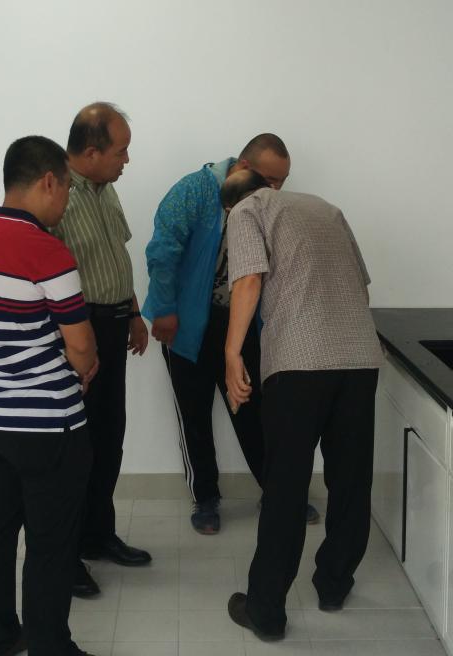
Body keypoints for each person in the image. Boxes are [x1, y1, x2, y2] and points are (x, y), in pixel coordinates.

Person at [222, 169, 384, 641]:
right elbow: (361, 286)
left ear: (229, 205)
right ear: (270, 185)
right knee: (351, 479)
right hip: (359, 356)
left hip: (299, 361)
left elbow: (249, 281)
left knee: (286, 486)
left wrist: (231, 353)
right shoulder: (326, 209)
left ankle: (266, 611)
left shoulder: (246, 211)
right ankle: (334, 584)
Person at [0, 136, 98, 656]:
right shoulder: (46, 250)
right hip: (48, 424)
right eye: (68, 189)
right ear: (47, 181)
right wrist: (87, 366)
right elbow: (80, 343)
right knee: (50, 541)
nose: (67, 201)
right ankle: (48, 646)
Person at [142, 134, 319, 533]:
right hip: (186, 324)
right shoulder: (193, 191)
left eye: (282, 182)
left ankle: (279, 492)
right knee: (194, 414)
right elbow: (163, 252)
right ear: (243, 166)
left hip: (242, 322)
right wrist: (165, 310)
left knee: (257, 412)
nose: (276, 190)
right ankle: (205, 498)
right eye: (270, 180)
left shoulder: (271, 206)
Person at [54, 102, 150, 598]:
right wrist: (78, 342)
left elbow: (118, 255)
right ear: (91, 151)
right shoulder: (57, 196)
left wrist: (133, 314)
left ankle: (98, 535)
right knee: (76, 449)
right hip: (79, 332)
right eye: (121, 151)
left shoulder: (106, 189)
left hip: (114, 323)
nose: (126, 160)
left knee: (110, 437)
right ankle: (65, 555)